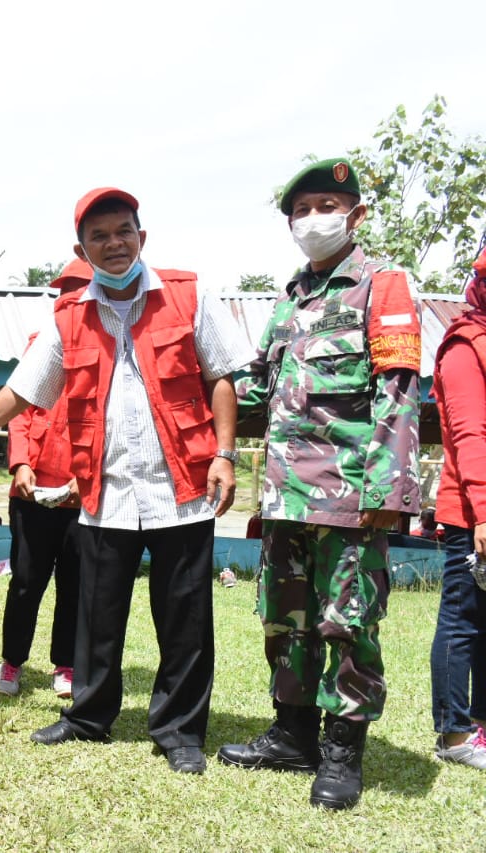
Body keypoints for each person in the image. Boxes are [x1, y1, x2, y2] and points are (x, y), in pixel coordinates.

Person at [0, 187, 252, 774]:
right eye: (98, 236)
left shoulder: (188, 296)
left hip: (180, 491)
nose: (113, 244)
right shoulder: (68, 316)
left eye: (122, 231)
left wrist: (225, 453)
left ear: (141, 236)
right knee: (96, 617)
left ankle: (179, 731)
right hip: (104, 494)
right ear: (83, 248)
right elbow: (24, 391)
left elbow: (222, 376)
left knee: (183, 620)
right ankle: (87, 717)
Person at [217, 158, 421, 810]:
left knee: (349, 622)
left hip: (349, 497)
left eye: (325, 206)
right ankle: (291, 733)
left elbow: (399, 396)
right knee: (286, 617)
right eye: (299, 211)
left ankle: (342, 751)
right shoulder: (288, 304)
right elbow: (255, 389)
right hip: (283, 497)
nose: (312, 221)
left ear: (356, 215)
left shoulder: (381, 288)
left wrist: (389, 493)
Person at [0, 259, 90, 698]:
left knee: (74, 585)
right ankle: (11, 663)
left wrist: (85, 479)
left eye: (78, 291)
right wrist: (22, 465)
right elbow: (19, 413)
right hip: (31, 493)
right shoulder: (39, 345)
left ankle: (65, 666)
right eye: (64, 292)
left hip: (83, 496)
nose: (70, 300)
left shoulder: (111, 353)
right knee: (26, 581)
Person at [429, 245, 486, 770]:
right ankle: (453, 733)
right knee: (462, 620)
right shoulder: (466, 346)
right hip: (472, 514)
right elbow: (471, 436)